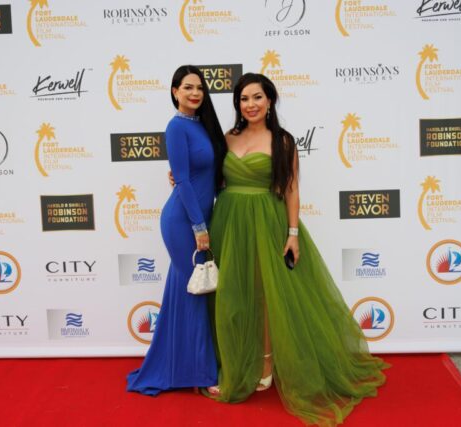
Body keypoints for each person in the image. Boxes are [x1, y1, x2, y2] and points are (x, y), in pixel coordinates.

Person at [208, 73, 387, 425]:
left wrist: (292, 234)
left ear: (270, 100)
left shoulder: (283, 141)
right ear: (237, 105)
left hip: (267, 223)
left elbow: (291, 189)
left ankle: (265, 365)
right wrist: (178, 176)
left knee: (265, 295)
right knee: (233, 295)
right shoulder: (226, 138)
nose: (250, 104)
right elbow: (211, 178)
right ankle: (234, 362)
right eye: (244, 99)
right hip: (228, 223)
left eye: (257, 97)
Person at [126, 65, 226, 395]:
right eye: (187, 87)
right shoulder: (176, 127)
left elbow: (210, 174)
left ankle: (174, 365)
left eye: (199, 88)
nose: (195, 93)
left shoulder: (205, 125)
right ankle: (204, 374)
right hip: (183, 222)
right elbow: (181, 179)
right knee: (196, 294)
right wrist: (199, 226)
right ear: (175, 92)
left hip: (202, 217)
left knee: (184, 291)